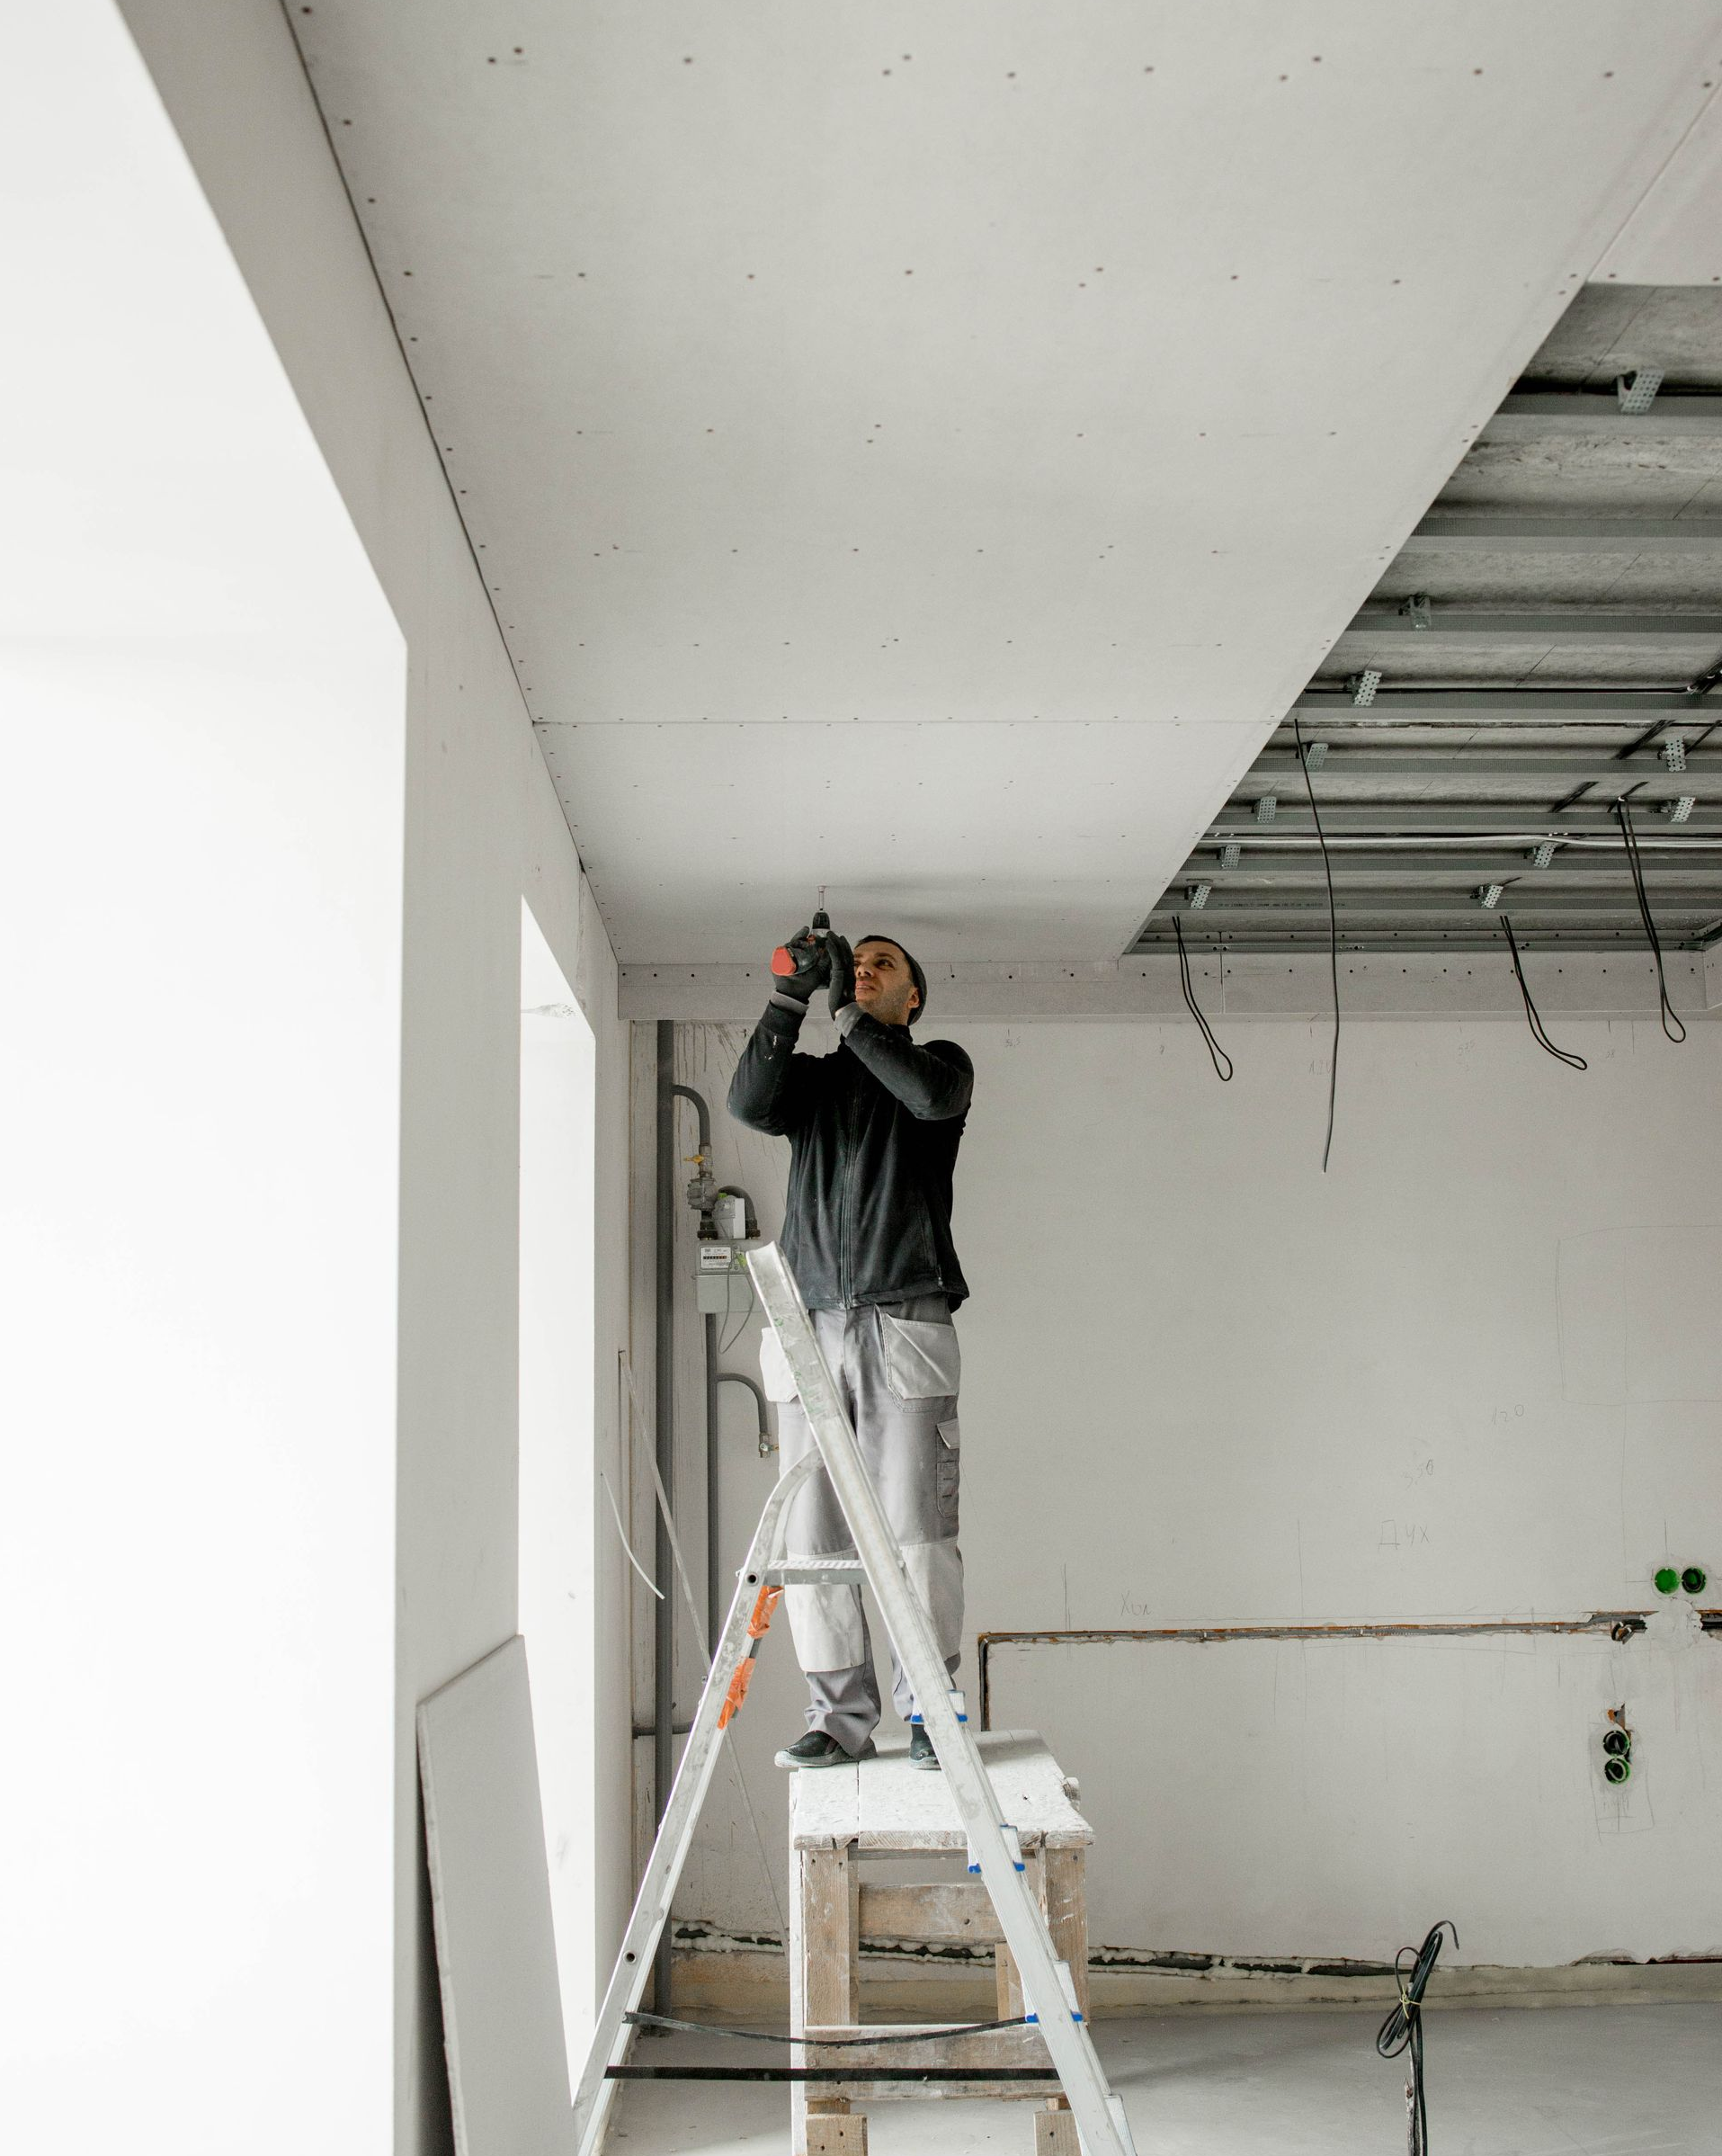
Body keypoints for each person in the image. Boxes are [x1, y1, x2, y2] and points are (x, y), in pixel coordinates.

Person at [727, 925, 973, 1770]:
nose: (863, 971)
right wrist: (788, 995)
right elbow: (750, 1104)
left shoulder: (939, 1067)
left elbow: (927, 1097)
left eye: (882, 965)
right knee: (814, 1534)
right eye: (855, 963)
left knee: (917, 1531)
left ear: (912, 995)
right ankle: (837, 1719)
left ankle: (931, 1710)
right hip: (806, 1324)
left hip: (901, 1321)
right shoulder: (814, 1085)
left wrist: (848, 1015)